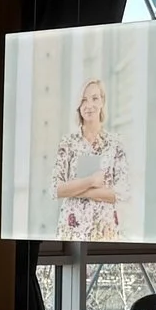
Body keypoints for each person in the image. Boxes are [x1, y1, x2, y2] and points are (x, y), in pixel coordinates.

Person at [50, 78, 127, 241]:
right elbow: (56, 189)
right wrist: (92, 180)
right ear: (78, 105)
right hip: (72, 230)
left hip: (105, 230)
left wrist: (75, 190)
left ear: (102, 101)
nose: (89, 105)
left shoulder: (115, 143)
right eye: (84, 100)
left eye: (94, 98)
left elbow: (120, 193)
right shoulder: (68, 142)